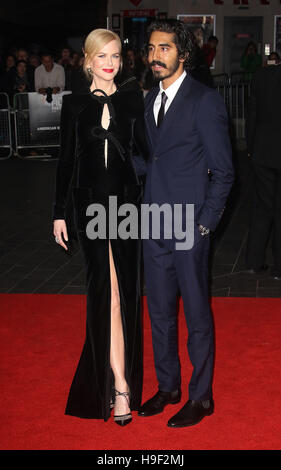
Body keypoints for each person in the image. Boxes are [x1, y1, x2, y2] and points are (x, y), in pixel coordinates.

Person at [138, 20, 234, 428]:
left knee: (195, 315)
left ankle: (201, 396)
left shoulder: (204, 101)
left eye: (164, 48)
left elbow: (225, 172)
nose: (155, 56)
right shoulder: (148, 101)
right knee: (159, 312)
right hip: (152, 223)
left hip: (188, 226)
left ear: (183, 54)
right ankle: (169, 386)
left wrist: (204, 226)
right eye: (151, 48)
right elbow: (150, 160)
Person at [52, 28, 148, 425]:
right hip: (90, 206)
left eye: (115, 57)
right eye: (102, 57)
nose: (110, 64)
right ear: (88, 60)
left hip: (126, 206)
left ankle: (120, 381)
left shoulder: (132, 99)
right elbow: (66, 162)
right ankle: (120, 386)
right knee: (104, 294)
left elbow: (147, 152)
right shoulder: (74, 104)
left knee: (125, 294)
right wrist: (59, 213)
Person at [245, 61, 281, 280]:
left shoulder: (262, 75)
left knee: (263, 207)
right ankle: (279, 269)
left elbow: (252, 114)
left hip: (262, 152)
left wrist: (251, 149)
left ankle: (253, 262)